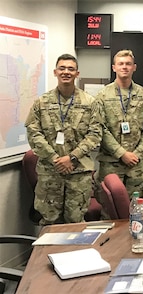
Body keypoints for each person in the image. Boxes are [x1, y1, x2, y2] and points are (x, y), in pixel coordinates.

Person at [25, 54, 102, 225]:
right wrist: (55, 159)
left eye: (70, 69)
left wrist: (71, 157)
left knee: (75, 224)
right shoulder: (41, 102)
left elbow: (95, 135)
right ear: (55, 72)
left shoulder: (90, 103)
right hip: (50, 173)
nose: (66, 72)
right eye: (62, 68)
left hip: (78, 173)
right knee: (50, 223)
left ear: (77, 73)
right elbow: (33, 133)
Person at [95, 49, 143, 208]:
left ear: (134, 67)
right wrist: (121, 153)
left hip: (137, 163)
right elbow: (100, 128)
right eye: (121, 64)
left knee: (137, 208)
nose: (124, 67)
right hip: (111, 163)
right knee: (109, 210)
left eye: (128, 64)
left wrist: (137, 153)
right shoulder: (102, 95)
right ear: (114, 67)